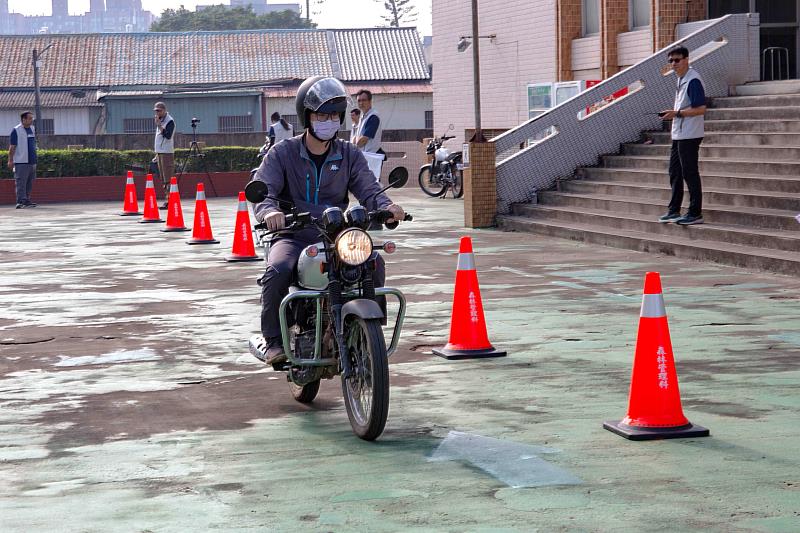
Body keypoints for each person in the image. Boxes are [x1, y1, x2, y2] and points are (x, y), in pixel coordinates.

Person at [251, 76, 405, 364]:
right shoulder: (282, 153)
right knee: (278, 269)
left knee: (373, 261)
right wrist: (269, 212)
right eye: (322, 115)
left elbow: (369, 188)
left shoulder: (349, 153)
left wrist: (387, 206)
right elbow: (264, 190)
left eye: (334, 115)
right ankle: (273, 339)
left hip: (337, 233)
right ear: (306, 116)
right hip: (293, 233)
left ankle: (367, 333)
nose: (329, 121)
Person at [659, 46, 706, 225]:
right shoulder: (681, 79)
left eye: (677, 60)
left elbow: (701, 108)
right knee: (675, 172)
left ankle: (695, 212)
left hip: (690, 134)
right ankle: (674, 210)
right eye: (670, 61)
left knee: (689, 172)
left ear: (686, 59)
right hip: (679, 133)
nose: (673, 64)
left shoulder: (693, 79)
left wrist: (676, 113)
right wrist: (673, 113)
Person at [8, 111, 38, 209]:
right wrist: (10, 160)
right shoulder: (16, 130)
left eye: (32, 118)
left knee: (29, 182)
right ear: (23, 119)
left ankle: (27, 200)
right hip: (21, 161)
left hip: (32, 161)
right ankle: (20, 201)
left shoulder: (32, 129)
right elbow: (12, 147)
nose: (31, 120)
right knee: (21, 182)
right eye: (29, 118)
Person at [153, 101, 175, 208]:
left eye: (159, 111)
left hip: (166, 152)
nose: (157, 113)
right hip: (160, 152)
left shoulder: (169, 121)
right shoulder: (161, 121)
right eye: (156, 111)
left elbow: (168, 136)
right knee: (162, 177)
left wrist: (159, 126)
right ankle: (168, 199)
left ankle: (170, 200)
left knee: (168, 177)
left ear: (164, 110)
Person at [353, 89, 382, 153]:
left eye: (364, 100)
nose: (361, 103)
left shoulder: (373, 116)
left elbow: (363, 140)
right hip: (364, 155)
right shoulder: (362, 116)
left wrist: (352, 148)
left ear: (370, 101)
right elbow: (357, 137)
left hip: (371, 155)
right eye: (359, 101)